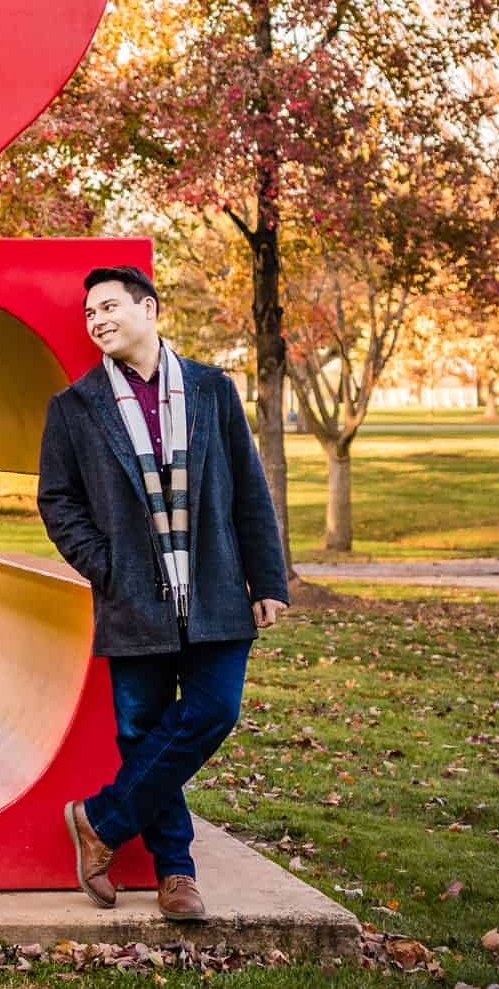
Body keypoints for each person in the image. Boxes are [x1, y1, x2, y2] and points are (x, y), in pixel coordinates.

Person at [37, 265, 289, 923]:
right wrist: (107, 564)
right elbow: (56, 501)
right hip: (134, 598)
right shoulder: (72, 407)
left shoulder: (211, 389)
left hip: (213, 590)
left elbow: (248, 487)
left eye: (109, 306)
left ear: (149, 309)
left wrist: (267, 579)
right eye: (89, 312)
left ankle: (101, 819)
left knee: (213, 711)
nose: (96, 319)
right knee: (142, 729)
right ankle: (177, 870)